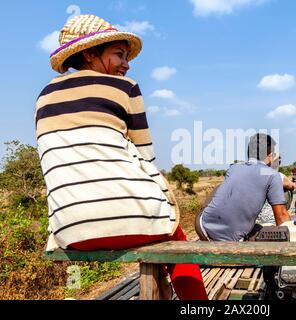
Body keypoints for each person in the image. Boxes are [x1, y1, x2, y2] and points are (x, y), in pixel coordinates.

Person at [36, 15, 207, 300]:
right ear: (90, 53)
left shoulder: (43, 97)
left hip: (70, 230)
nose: (127, 64)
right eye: (119, 55)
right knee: (176, 239)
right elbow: (146, 156)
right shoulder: (124, 87)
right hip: (132, 221)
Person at [195, 134, 291, 241]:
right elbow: (281, 217)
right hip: (229, 239)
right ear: (269, 156)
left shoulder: (234, 168)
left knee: (219, 188)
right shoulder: (273, 175)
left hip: (202, 226)